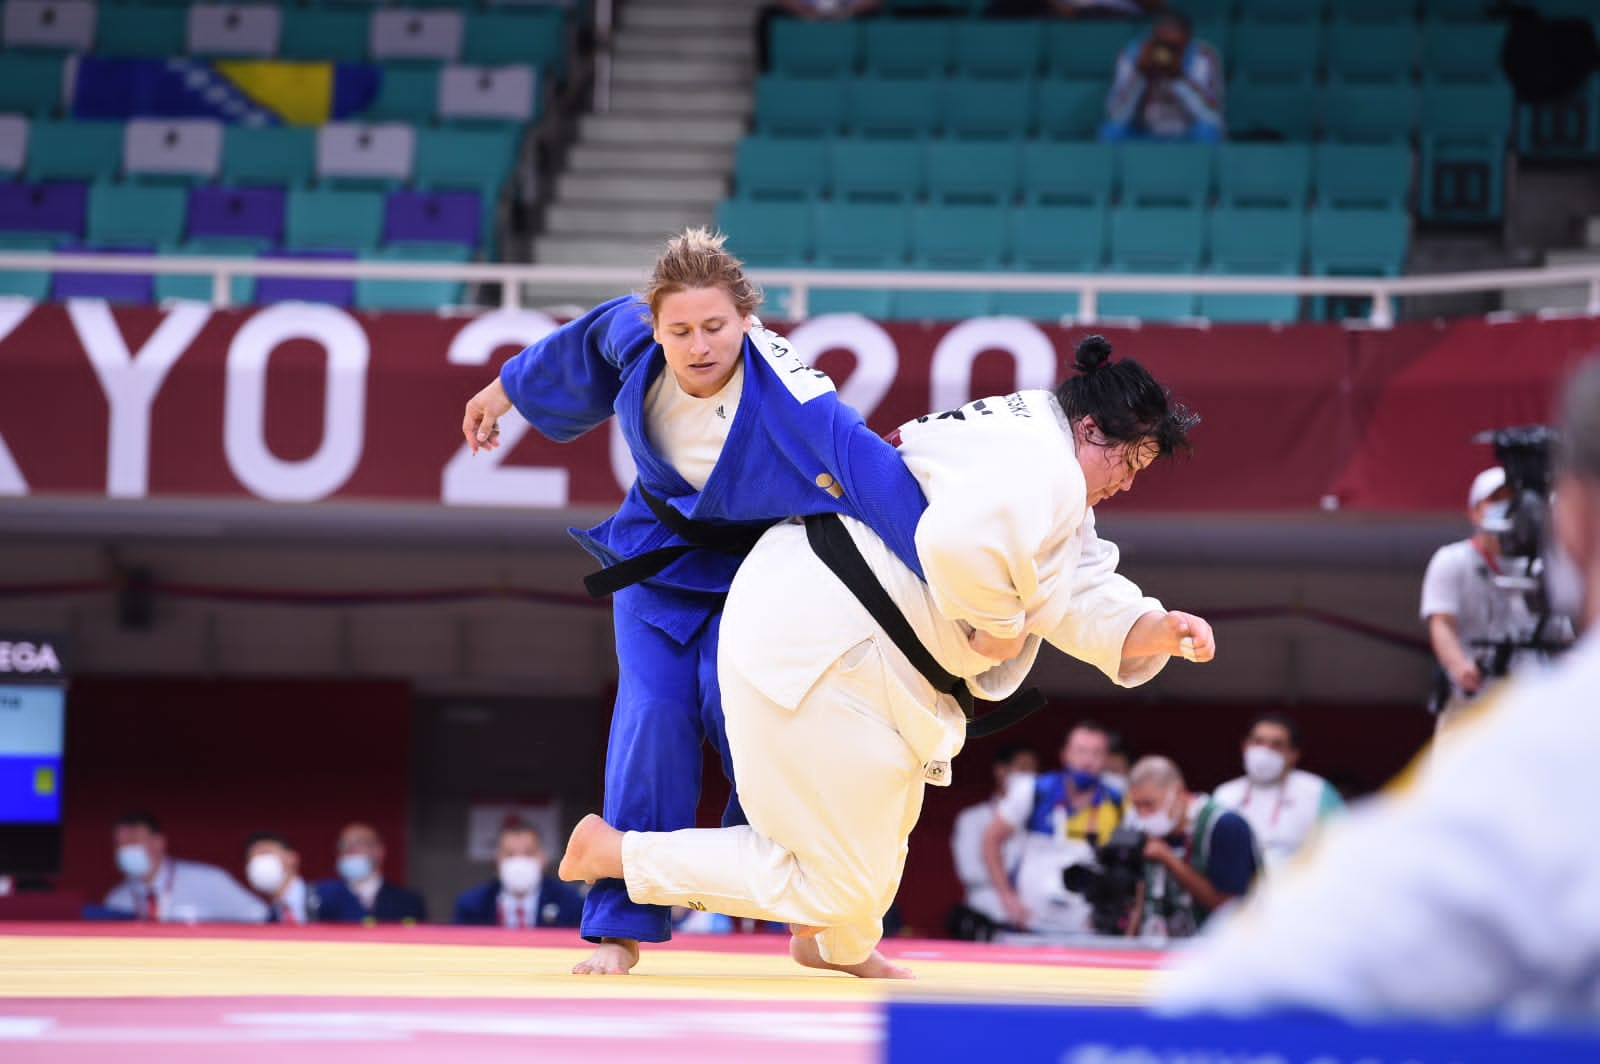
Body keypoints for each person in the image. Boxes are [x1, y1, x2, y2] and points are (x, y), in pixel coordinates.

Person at [557, 335, 1213, 978]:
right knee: (837, 879)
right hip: (828, 641)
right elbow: (958, 544)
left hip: (834, 633)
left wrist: (1152, 626)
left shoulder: (1036, 449)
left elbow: (1077, 581)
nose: (1126, 483)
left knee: (881, 836)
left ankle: (832, 943)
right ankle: (616, 854)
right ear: (1092, 429)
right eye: (1127, 463)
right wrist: (1000, 626)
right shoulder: (1043, 465)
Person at [460, 228, 928, 974]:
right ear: (656, 327)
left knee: (772, 741)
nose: (699, 344)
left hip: (765, 579)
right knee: (651, 721)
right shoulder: (635, 336)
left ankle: (824, 932)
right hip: (656, 560)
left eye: (715, 327)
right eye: (680, 330)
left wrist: (952, 585)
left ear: (747, 320)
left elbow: (879, 479)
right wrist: (501, 391)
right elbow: (579, 343)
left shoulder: (795, 398)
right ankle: (617, 931)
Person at [1156, 360, 1600, 1022]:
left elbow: (1224, 992)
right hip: (1479, 694)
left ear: (1573, 518)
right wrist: (1463, 669)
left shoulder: (1539, 761)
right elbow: (1441, 625)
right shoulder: (1456, 569)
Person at [1420, 465, 1549, 731]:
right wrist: (1458, 665)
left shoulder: (1540, 565)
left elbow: (1560, 628)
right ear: (1474, 511)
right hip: (1471, 697)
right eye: (1494, 500)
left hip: (1528, 700)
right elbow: (1441, 621)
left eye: (1510, 500)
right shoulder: (1452, 560)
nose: (1504, 507)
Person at [982, 720, 1125, 933]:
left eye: (1096, 753)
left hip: (1087, 926)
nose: (1087, 760)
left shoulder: (1116, 801)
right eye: (1081, 751)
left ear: (1105, 759)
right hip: (1029, 922)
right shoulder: (1034, 790)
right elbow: (990, 839)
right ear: (1065, 754)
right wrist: (1007, 898)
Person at [1121, 755, 1260, 942]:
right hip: (1154, 950)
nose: (1142, 814)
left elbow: (1229, 908)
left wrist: (1169, 859)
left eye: (1149, 804)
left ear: (1177, 792)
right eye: (1137, 806)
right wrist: (1127, 946)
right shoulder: (1141, 827)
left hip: (1215, 952)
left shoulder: (1224, 825)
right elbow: (1140, 896)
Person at [1212, 712, 1344, 871]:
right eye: (1258, 742)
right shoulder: (1224, 794)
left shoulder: (1317, 791)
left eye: (1277, 745)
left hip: (1298, 887)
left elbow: (1341, 846)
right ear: (1245, 746)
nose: (1265, 751)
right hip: (1241, 891)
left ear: (1293, 754)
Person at [104, 812, 266, 924]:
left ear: (159, 842)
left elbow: (260, 917)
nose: (125, 849)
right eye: (119, 843)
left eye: (133, 840)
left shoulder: (209, 881)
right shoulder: (117, 899)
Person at [947, 743, 1039, 939]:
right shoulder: (972, 818)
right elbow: (971, 871)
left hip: (1037, 916)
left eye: (1033, 771)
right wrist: (1009, 895)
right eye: (1022, 769)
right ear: (1001, 771)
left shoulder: (1040, 818)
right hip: (987, 914)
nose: (1029, 777)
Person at [1099, 9, 1224, 143]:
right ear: (1152, 38)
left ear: (1188, 40)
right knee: (1110, 132)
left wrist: (1178, 77)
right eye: (1162, 44)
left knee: (1208, 132)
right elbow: (1117, 117)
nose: (1167, 52)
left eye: (1174, 47)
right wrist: (1140, 74)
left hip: (1186, 134)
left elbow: (1213, 118)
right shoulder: (1131, 56)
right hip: (1144, 134)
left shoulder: (1203, 57)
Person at [453, 822, 582, 929]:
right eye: (510, 854)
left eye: (529, 853)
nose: (519, 861)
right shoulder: (472, 905)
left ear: (543, 858)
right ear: (497, 859)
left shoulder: (571, 903)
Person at [313, 822, 426, 924]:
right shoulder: (321, 895)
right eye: (342, 845)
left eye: (358, 843)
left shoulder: (407, 901)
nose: (349, 849)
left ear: (380, 851)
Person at [244, 831, 314, 925]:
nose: (259, 862)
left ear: (292, 858)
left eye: (265, 853)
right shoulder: (268, 921)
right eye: (252, 858)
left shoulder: (331, 894)